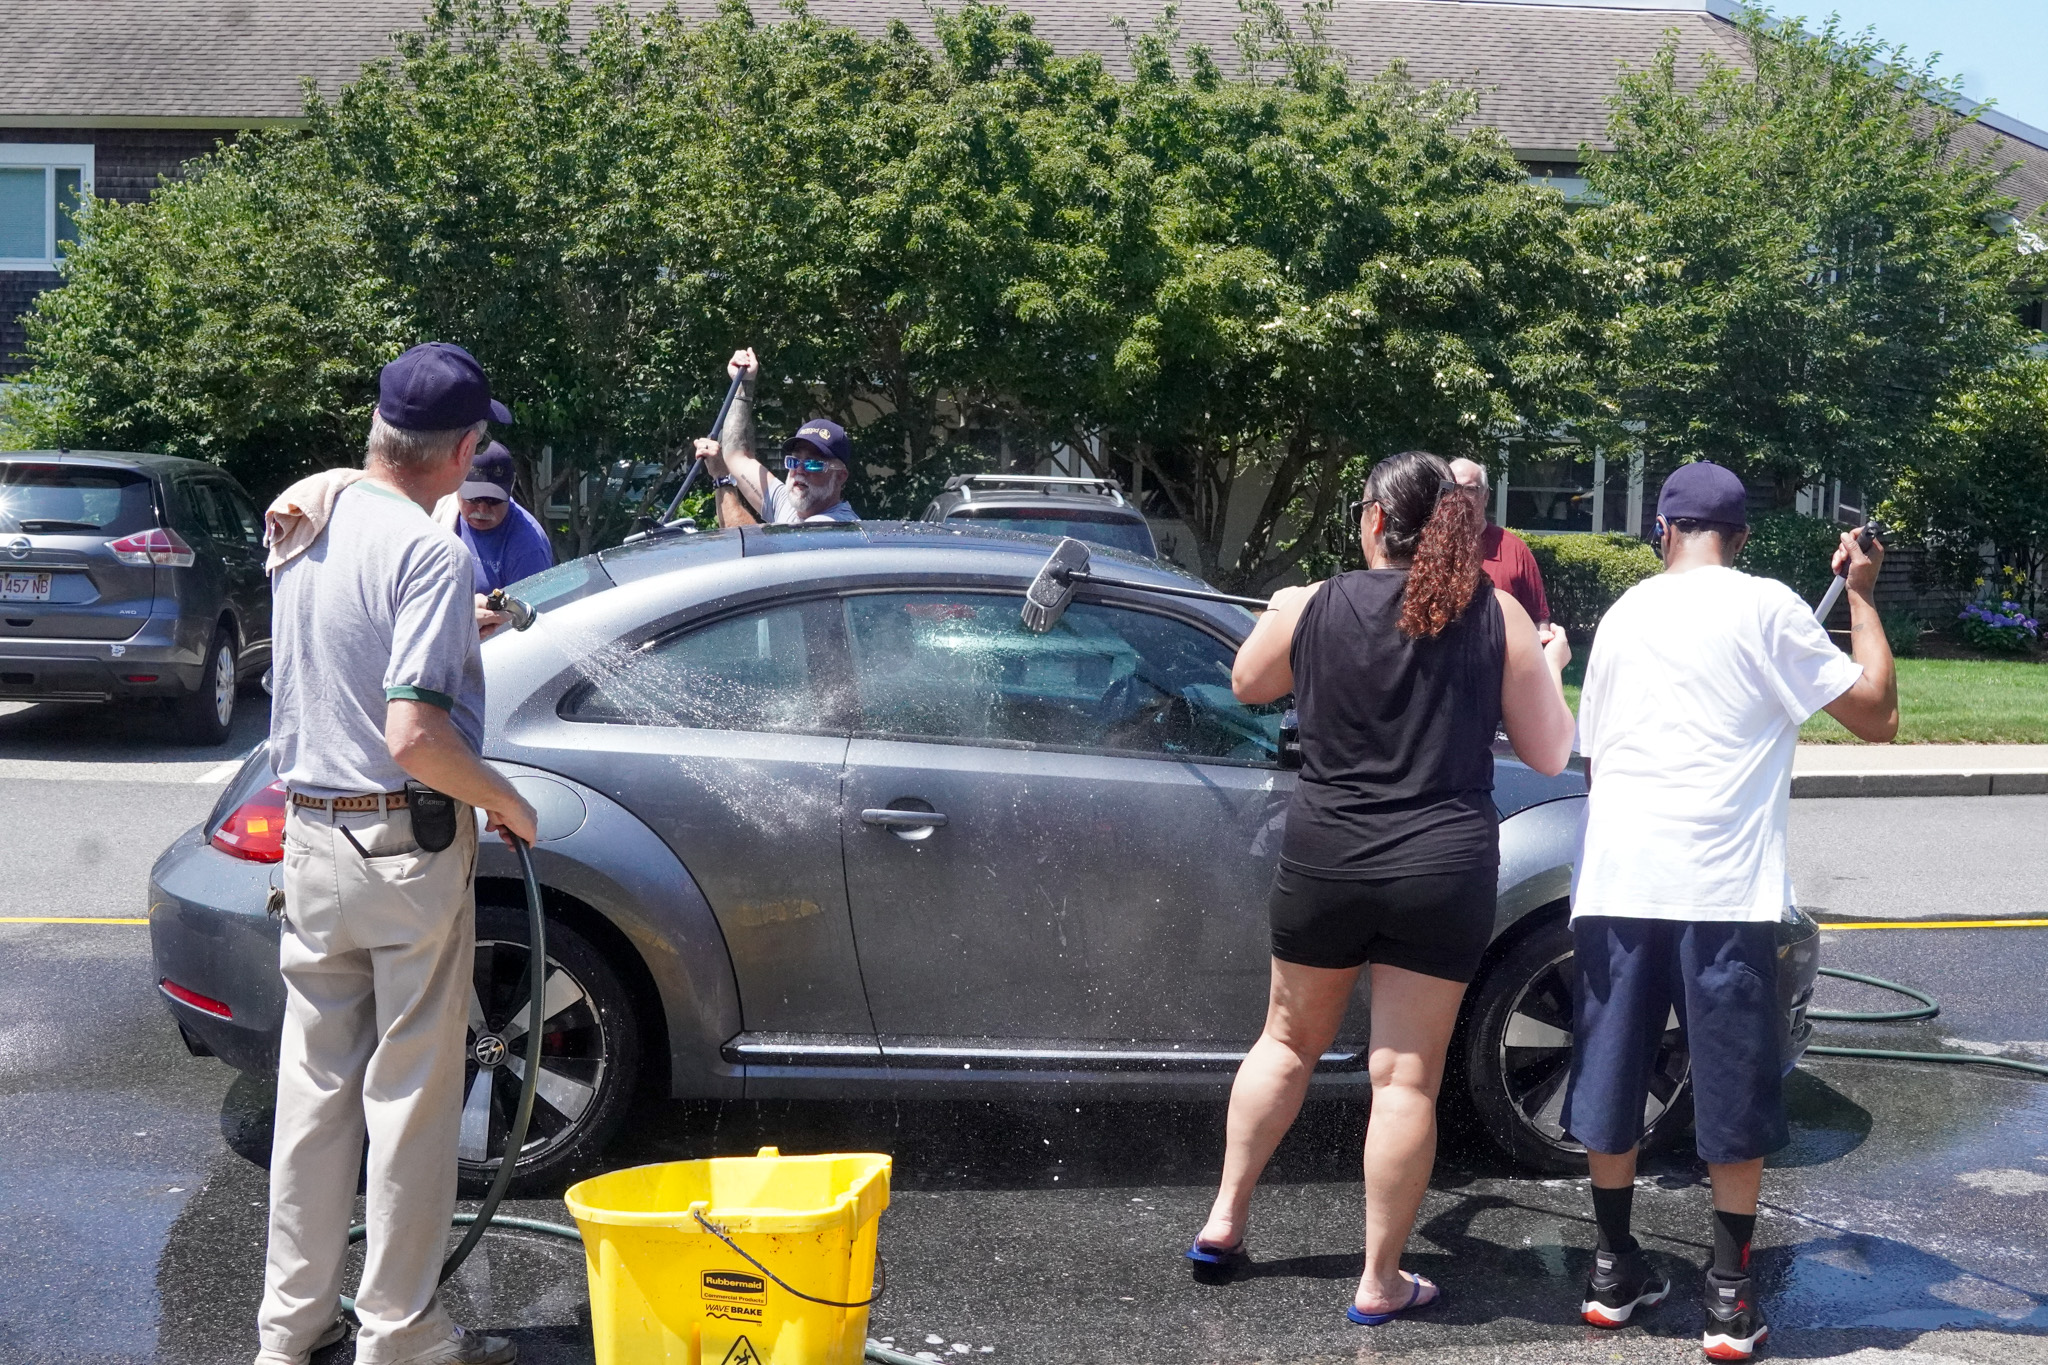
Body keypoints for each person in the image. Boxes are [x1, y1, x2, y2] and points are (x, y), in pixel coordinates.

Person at [1190, 449, 1577, 1324]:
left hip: (1327, 856)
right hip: (1440, 867)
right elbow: (1553, 752)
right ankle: (1379, 1281)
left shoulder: (1313, 603)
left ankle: (1223, 1221)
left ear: (1371, 519)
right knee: (1403, 1081)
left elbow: (1247, 683)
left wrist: (1285, 611)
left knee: (1284, 1043)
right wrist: (1548, 659)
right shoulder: (1500, 615)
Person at [1564, 461, 1896, 1360]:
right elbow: (1877, 714)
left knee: (1611, 1079)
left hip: (1620, 884)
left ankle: (1610, 1270)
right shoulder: (1770, 608)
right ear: (1740, 537)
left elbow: (1593, 758)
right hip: (1725, 890)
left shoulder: (1625, 616)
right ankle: (1727, 1297)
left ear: (1663, 530)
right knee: (1732, 1090)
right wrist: (1861, 596)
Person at [256, 342, 539, 1365]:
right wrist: (506, 800)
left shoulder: (299, 522)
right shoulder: (435, 550)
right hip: (400, 845)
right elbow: (416, 737)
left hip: (312, 841)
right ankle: (399, 1330)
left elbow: (347, 635)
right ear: (464, 448)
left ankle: (289, 1330)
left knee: (315, 1092)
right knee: (411, 1101)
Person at [695, 347, 858, 525]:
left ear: (840, 476)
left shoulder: (835, 526)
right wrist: (743, 383)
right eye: (794, 461)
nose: (799, 471)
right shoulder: (788, 506)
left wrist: (722, 480)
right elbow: (736, 454)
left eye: (813, 464)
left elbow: (749, 546)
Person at [432, 441, 554, 594]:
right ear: (456, 486)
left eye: (493, 500)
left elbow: (529, 615)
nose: (483, 509)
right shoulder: (437, 513)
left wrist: (469, 614)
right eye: (474, 498)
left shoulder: (528, 548)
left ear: (510, 489)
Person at [1448, 457, 1549, 628]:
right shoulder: (1426, 549)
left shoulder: (1515, 550)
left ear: (1485, 496)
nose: (1459, 498)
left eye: (1469, 490)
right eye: (1451, 489)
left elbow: (1538, 621)